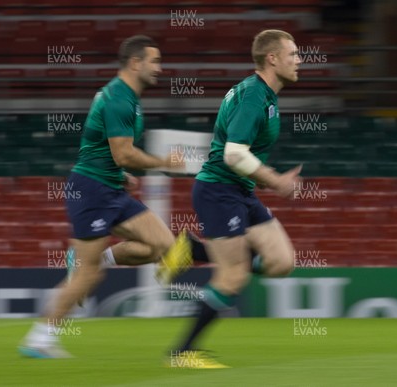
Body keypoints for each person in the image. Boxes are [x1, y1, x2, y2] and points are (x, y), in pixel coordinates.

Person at [19, 35, 192, 358]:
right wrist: (163, 163)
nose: (160, 68)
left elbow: (107, 151)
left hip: (109, 186)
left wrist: (120, 173)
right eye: (154, 61)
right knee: (89, 275)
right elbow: (124, 153)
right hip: (92, 190)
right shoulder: (118, 98)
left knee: (166, 246)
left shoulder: (127, 98)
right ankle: (39, 338)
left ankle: (102, 258)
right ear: (136, 62)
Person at [168, 29, 304, 368]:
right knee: (233, 277)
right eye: (292, 54)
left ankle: (193, 249)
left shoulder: (264, 95)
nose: (299, 60)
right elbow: (233, 154)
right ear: (272, 58)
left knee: (281, 262)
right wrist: (274, 179)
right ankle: (182, 353)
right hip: (219, 191)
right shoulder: (254, 97)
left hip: (240, 192)